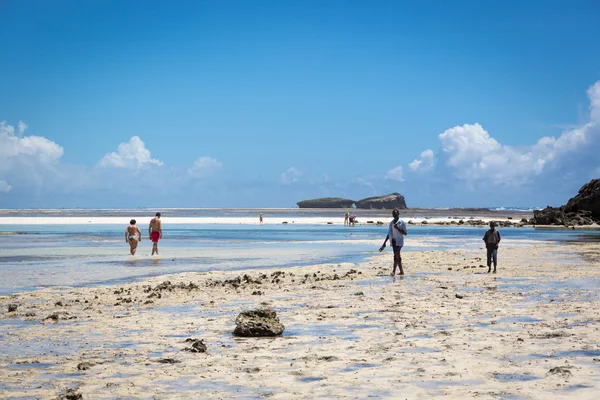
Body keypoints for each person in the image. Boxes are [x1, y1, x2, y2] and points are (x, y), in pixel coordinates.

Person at [379, 209, 408, 276]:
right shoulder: (391, 223)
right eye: (393, 214)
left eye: (396, 214)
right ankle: (401, 271)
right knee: (397, 256)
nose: (394, 215)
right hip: (393, 241)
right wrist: (384, 243)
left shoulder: (402, 222)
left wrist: (398, 228)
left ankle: (393, 271)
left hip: (399, 241)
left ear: (398, 214)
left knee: (396, 256)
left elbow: (405, 233)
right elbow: (389, 233)